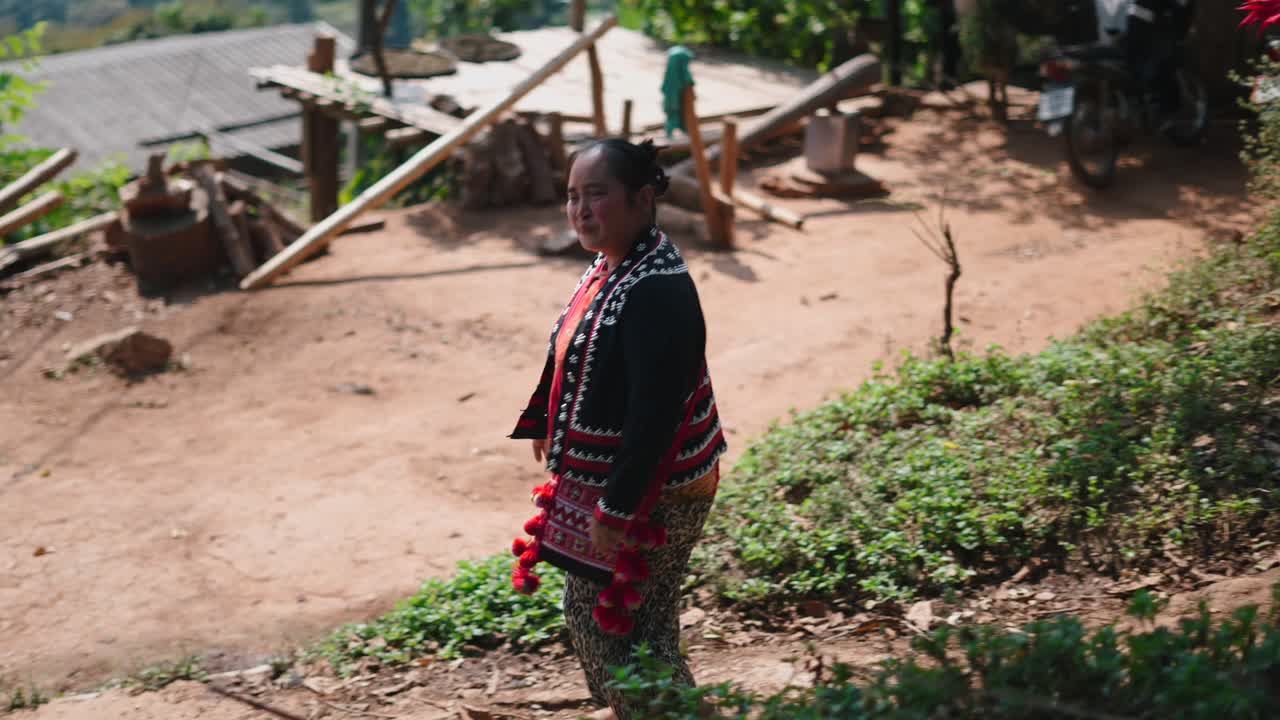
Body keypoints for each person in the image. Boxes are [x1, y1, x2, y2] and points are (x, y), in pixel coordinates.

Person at [507, 138, 728, 720]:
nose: (580, 209)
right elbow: (574, 345)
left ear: (640, 196)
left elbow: (655, 412)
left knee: (610, 621)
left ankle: (662, 713)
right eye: (573, 195)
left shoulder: (658, 288)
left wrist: (619, 507)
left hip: (657, 487)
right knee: (634, 620)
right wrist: (546, 420)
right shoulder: (616, 264)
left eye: (596, 194)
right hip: (626, 479)